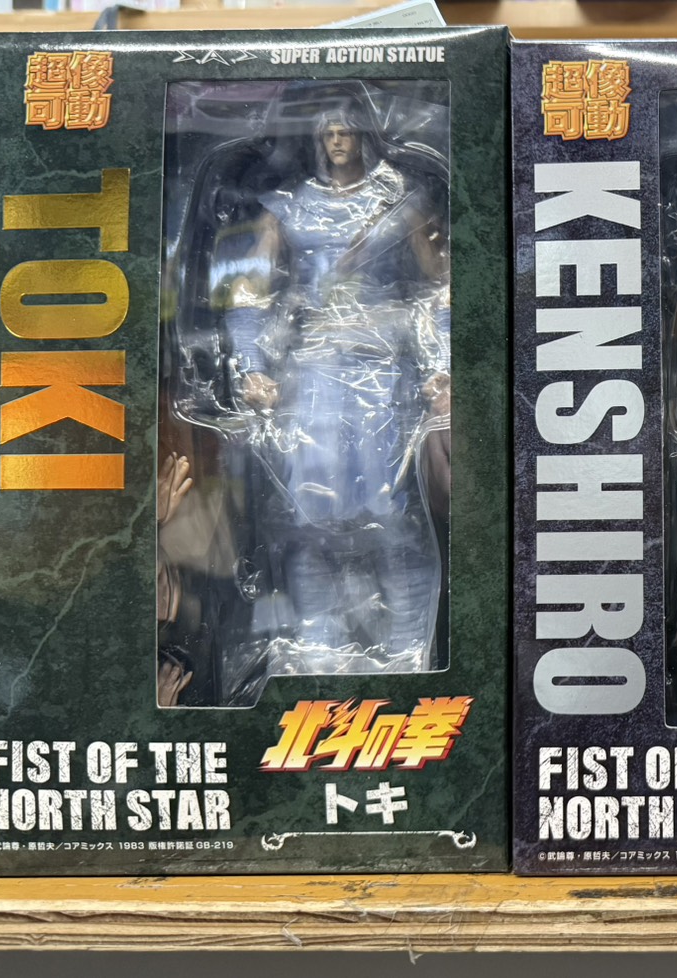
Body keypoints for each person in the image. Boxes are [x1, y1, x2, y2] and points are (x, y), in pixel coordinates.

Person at [224, 102, 450, 677]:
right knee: (311, 518)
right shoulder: (290, 207)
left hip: (385, 373)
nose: (337, 141)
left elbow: (441, 286)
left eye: (346, 131)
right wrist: (250, 366)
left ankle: (406, 650)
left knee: (394, 518)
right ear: (318, 140)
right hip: (314, 376)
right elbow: (249, 291)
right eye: (328, 133)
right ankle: (318, 646)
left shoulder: (400, 201)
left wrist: (442, 364)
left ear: (364, 137)